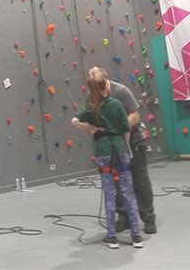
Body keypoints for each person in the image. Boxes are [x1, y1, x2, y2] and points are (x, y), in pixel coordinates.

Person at [72, 71, 144, 249]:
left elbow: (74, 121)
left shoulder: (90, 107)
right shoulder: (117, 105)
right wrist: (124, 145)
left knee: (109, 193)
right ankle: (136, 235)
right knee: (128, 192)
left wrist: (88, 127)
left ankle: (112, 236)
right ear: (105, 88)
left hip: (103, 151)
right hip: (120, 149)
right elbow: (126, 127)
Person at [89, 66, 156, 234]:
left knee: (140, 180)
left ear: (106, 80)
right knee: (116, 182)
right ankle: (124, 217)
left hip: (133, 141)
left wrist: (118, 127)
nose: (98, 92)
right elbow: (89, 117)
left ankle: (148, 217)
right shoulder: (92, 95)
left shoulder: (121, 91)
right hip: (112, 145)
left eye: (100, 86)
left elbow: (135, 115)